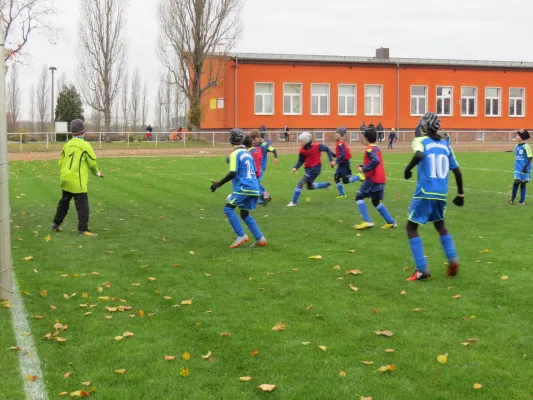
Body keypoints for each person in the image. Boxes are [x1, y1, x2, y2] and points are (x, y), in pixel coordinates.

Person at [403, 112, 464, 281]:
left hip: (424, 192)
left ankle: (422, 269)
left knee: (411, 228)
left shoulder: (421, 141)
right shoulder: (446, 145)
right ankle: (452, 259)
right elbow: (457, 171)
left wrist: (408, 169)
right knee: (440, 225)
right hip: (440, 194)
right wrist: (460, 193)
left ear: (424, 126)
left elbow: (419, 155)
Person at [210, 128, 267, 248]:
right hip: (254, 187)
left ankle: (241, 235)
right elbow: (255, 171)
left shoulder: (235, 154)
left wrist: (218, 184)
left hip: (244, 187)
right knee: (244, 214)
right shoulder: (248, 153)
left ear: (230, 140)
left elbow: (233, 173)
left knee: (228, 209)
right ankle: (260, 238)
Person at [52, 119, 104, 237]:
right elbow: (92, 164)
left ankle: (56, 224)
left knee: (64, 202)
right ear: (84, 131)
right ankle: (83, 230)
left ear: (72, 133)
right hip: (77, 181)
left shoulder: (67, 144)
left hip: (66, 178)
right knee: (83, 206)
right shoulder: (85, 145)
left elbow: (61, 162)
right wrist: (97, 173)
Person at [354, 127, 397, 230]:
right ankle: (390, 221)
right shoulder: (377, 148)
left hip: (373, 179)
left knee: (359, 197)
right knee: (376, 202)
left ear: (367, 138)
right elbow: (375, 161)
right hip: (381, 179)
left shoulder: (369, 149)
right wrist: (363, 165)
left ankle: (367, 221)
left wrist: (364, 168)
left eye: (364, 137)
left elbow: (375, 161)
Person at [287, 132, 335, 207]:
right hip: (308, 169)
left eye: (301, 141)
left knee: (301, 182)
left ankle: (294, 202)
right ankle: (326, 185)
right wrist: (295, 167)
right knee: (309, 187)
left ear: (306, 141)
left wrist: (331, 160)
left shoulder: (317, 146)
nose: (300, 143)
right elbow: (301, 160)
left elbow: (327, 149)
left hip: (315, 168)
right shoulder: (302, 150)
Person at [330, 126, 365, 198]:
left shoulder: (341, 143)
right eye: (335, 133)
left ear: (340, 135)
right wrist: (329, 152)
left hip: (345, 164)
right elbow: (338, 155)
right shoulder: (339, 143)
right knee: (336, 177)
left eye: (337, 133)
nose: (335, 135)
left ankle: (358, 177)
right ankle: (342, 194)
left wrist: (335, 162)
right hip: (342, 163)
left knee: (346, 181)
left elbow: (342, 155)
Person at [250, 129, 279, 203]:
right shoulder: (253, 146)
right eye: (252, 139)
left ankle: (264, 196)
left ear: (259, 138)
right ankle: (265, 195)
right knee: (256, 183)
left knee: (254, 183)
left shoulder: (263, 145)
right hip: (254, 168)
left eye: (254, 139)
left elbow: (273, 150)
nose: (253, 141)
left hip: (261, 168)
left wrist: (276, 157)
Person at [509, 129, 532, 205]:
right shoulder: (516, 146)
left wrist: (526, 167)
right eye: (516, 135)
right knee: (516, 182)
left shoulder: (526, 146)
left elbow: (530, 157)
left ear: (522, 137)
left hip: (525, 168)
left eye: (517, 135)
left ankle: (521, 201)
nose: (516, 136)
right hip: (518, 168)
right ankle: (512, 197)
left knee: (523, 184)